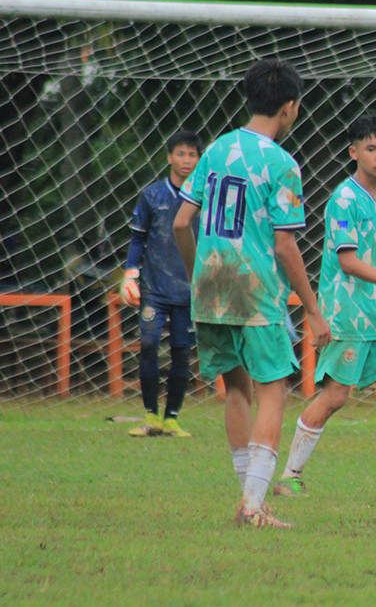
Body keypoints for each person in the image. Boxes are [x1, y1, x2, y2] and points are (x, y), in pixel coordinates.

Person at [173, 59, 332, 529]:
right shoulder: (282, 164)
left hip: (210, 286)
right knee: (273, 391)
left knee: (236, 388)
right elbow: (285, 244)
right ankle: (252, 505)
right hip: (256, 289)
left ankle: (249, 497)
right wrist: (314, 308)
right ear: (289, 107)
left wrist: (197, 272)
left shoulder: (217, 149)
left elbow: (182, 222)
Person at [272, 112, 376, 500]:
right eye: (371, 148)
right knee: (336, 396)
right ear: (353, 152)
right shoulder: (344, 199)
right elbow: (348, 261)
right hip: (345, 311)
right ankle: (288, 476)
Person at [122, 130, 203, 438]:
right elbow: (138, 238)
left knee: (182, 353)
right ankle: (150, 416)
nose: (186, 160)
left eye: (192, 155)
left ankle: (171, 418)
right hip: (154, 288)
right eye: (181, 154)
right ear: (170, 157)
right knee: (148, 345)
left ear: (199, 159)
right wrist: (131, 273)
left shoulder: (204, 198)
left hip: (189, 290)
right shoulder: (152, 195)